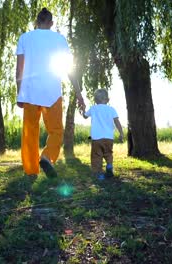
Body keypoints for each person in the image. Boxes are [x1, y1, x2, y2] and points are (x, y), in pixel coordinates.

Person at [16, 8, 85, 178]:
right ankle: (47, 156)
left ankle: (31, 171)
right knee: (56, 130)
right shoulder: (59, 39)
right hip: (52, 92)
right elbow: (70, 69)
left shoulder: (24, 38)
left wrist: (19, 93)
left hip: (30, 93)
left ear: (37, 21)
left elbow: (19, 70)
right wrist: (78, 93)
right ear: (51, 23)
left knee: (30, 132)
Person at [81, 89, 124, 179]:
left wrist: (83, 109)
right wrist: (121, 133)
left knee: (97, 156)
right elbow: (117, 121)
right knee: (108, 153)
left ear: (95, 100)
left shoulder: (93, 108)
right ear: (107, 99)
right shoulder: (111, 109)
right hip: (109, 137)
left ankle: (99, 174)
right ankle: (109, 166)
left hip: (97, 138)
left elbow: (85, 116)